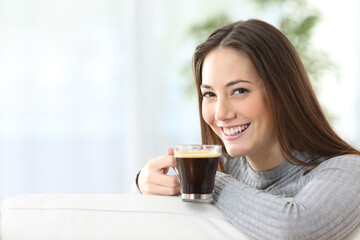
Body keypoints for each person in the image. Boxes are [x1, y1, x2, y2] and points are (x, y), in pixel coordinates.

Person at [132, 19, 360, 239]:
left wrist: (204, 179)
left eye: (239, 91)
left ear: (282, 93)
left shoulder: (347, 170)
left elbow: (294, 229)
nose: (221, 114)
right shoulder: (225, 167)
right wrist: (144, 184)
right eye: (209, 94)